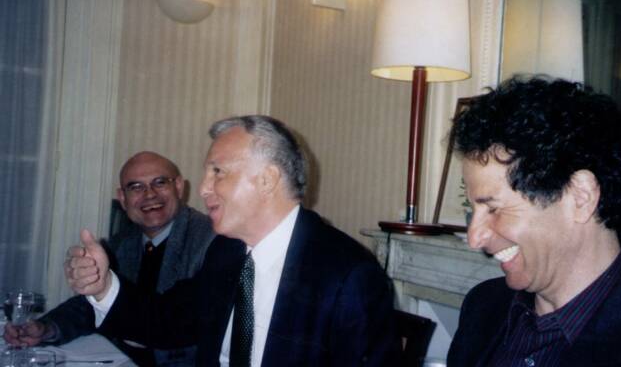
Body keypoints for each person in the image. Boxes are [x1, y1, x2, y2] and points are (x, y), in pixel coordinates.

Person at [64, 115, 401, 366]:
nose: (204, 187)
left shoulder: (347, 274)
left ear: (267, 180)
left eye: (218, 172)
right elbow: (169, 320)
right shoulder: (228, 252)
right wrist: (102, 286)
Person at [446, 77, 621, 366]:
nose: (474, 238)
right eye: (472, 209)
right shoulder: (483, 307)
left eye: (493, 208)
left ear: (580, 197)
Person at [3, 151, 215, 366]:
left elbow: (178, 319)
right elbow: (88, 307)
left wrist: (103, 288)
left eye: (160, 183)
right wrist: (45, 328)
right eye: (136, 187)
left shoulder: (210, 240)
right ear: (123, 198)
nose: (150, 194)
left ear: (179, 187)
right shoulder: (122, 242)